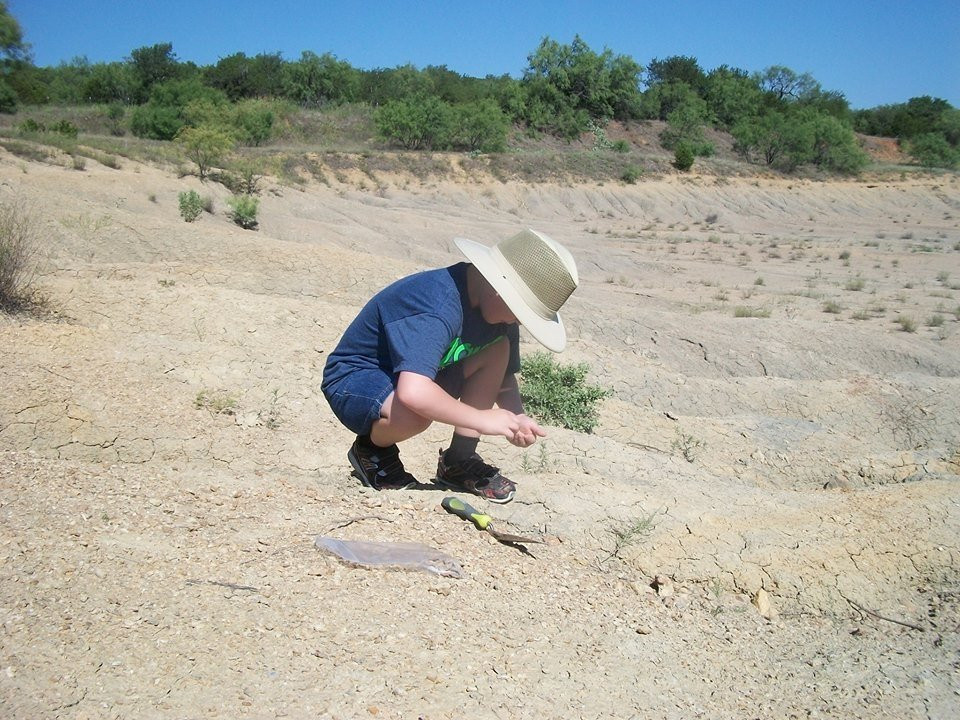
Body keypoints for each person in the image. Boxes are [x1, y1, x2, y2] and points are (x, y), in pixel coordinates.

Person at [321, 228, 578, 504]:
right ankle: (372, 451)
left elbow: (503, 377)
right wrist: (482, 419)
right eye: (521, 313)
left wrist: (516, 418)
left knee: (498, 348)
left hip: (410, 376)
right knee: (415, 414)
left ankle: (459, 459)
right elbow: (414, 393)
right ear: (499, 291)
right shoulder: (439, 305)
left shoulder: (498, 316)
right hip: (357, 378)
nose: (518, 322)